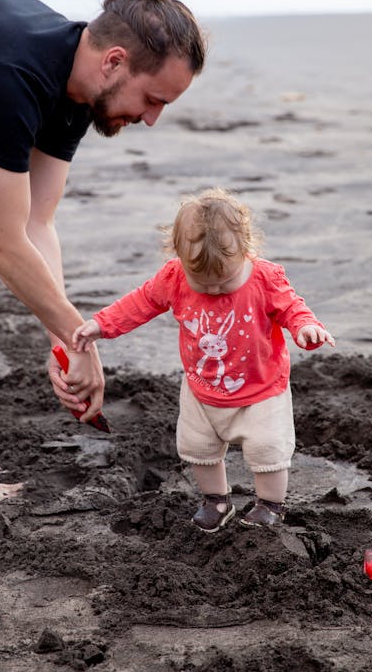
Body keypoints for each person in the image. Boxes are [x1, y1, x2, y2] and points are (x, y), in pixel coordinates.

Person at [0, 0, 206, 510]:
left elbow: (35, 224)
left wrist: (67, 343)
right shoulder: (15, 72)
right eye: (153, 100)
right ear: (115, 62)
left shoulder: (77, 94)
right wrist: (83, 338)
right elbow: (4, 241)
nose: (151, 119)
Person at [72, 188, 335, 533]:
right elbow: (141, 303)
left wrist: (307, 328)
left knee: (268, 449)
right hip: (201, 388)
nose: (212, 290)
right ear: (178, 256)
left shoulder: (264, 278)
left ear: (246, 250)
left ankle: (270, 505)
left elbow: (292, 307)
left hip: (262, 389)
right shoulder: (174, 277)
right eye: (202, 283)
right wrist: (101, 325)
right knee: (198, 447)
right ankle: (216, 501)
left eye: (223, 281)